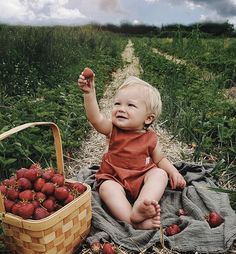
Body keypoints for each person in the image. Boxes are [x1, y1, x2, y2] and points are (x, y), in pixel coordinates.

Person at [78, 69, 186, 230]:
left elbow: (160, 160)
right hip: (114, 178)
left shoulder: (150, 138)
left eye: (130, 105)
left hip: (141, 179)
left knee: (159, 174)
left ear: (148, 118)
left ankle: (143, 203)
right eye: (117, 103)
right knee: (106, 188)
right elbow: (95, 118)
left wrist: (173, 172)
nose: (121, 108)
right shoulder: (112, 129)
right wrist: (89, 93)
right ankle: (132, 219)